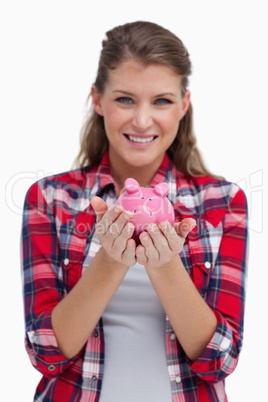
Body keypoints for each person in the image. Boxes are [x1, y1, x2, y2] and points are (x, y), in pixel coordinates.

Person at [21, 21, 248, 402]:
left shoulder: (223, 203)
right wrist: (110, 261)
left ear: (183, 105)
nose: (142, 121)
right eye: (125, 99)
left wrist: (165, 265)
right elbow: (45, 352)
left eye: (161, 101)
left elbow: (220, 360)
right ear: (97, 99)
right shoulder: (49, 199)